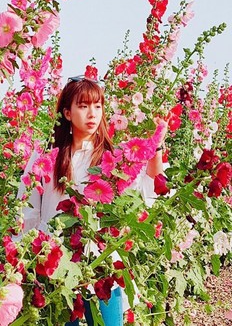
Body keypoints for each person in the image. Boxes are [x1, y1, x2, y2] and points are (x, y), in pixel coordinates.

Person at [17, 76, 166, 326]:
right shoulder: (47, 154)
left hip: (100, 260)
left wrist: (156, 146)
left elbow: (148, 188)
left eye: (98, 106)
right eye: (84, 106)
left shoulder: (112, 158)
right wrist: (25, 254)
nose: (92, 114)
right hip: (57, 261)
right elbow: (27, 205)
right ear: (67, 113)